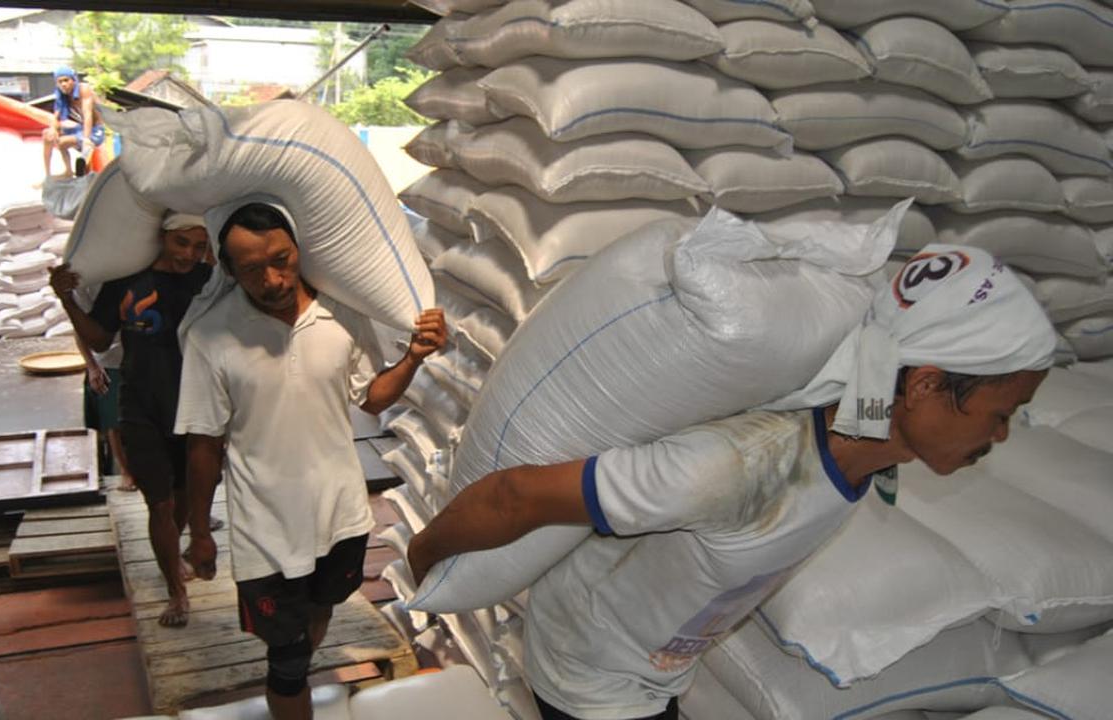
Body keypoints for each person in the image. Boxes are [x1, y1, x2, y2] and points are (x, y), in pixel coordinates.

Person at [407, 246, 1057, 720]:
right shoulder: (741, 468)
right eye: (999, 414)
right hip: (590, 681)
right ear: (924, 386)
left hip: (651, 675)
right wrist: (424, 559)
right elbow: (514, 495)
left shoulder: (863, 451)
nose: (999, 436)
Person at [177, 201, 446, 720]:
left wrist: (413, 357)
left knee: (321, 610)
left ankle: (304, 639)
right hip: (266, 527)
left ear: (299, 249)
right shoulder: (210, 336)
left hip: (339, 513)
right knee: (288, 661)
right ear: (228, 271)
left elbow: (371, 397)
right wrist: (200, 530)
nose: (273, 279)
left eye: (282, 259)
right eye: (252, 269)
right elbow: (203, 444)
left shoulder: (341, 314)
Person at [50, 211, 210, 627]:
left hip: (195, 409)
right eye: (181, 243)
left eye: (198, 245)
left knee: (183, 500)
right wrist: (66, 299)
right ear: (162, 238)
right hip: (140, 407)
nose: (188, 254)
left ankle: (174, 555)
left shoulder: (209, 282)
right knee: (158, 501)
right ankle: (176, 591)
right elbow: (101, 338)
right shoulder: (127, 283)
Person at [71, 286, 136, 492]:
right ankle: (126, 471)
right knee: (113, 419)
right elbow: (79, 331)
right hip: (108, 361)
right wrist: (92, 367)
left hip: (141, 356)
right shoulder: (84, 287)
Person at [42, 66, 104, 178]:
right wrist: (53, 130)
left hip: (94, 131)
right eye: (60, 81)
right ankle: (49, 176)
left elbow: (87, 115)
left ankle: (82, 167)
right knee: (47, 134)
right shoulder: (61, 95)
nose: (63, 84)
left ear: (73, 80)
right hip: (79, 127)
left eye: (66, 80)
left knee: (62, 143)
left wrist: (86, 138)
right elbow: (55, 117)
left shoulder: (84, 89)